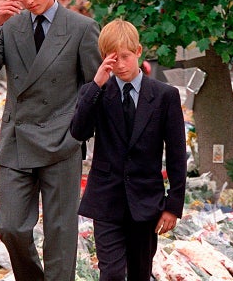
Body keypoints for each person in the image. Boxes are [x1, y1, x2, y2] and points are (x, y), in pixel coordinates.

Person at [0, 0, 101, 279]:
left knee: (60, 234)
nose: (28, 0)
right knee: (10, 226)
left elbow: (95, 90)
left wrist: (79, 132)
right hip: (17, 139)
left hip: (63, 141)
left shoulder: (82, 27)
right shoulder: (11, 26)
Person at [70, 19, 186, 281]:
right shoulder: (98, 93)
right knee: (110, 273)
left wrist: (173, 205)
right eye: (113, 59)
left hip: (146, 201)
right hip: (106, 200)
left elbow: (177, 154)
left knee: (139, 272)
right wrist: (96, 84)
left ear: (138, 52)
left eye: (125, 57)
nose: (120, 64)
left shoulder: (164, 95)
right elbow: (78, 131)